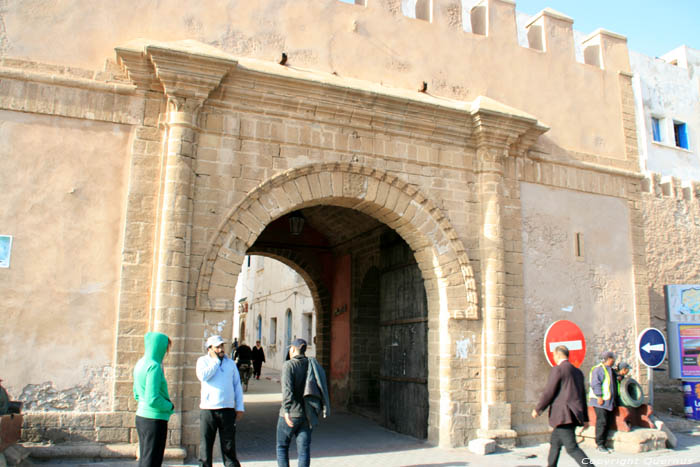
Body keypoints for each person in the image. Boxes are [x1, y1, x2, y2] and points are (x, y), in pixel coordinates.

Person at [532, 345, 593, 467]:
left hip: (563, 416)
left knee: (572, 448)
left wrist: (538, 409)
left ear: (558, 355)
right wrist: (585, 418)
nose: (553, 357)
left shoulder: (558, 370)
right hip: (571, 415)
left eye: (554, 355)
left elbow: (549, 391)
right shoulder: (578, 372)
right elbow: (582, 396)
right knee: (555, 443)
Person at [277, 338, 330, 467]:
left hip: (291, 414)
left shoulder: (288, 365)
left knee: (282, 447)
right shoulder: (311, 364)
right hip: (306, 415)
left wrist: (287, 410)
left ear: (293, 349)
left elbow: (287, 390)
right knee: (303, 451)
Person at [196, 335, 245, 467]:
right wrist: (215, 362)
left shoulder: (230, 364)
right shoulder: (203, 361)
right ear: (210, 349)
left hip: (227, 410)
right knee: (206, 446)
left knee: (228, 446)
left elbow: (237, 386)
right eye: (217, 347)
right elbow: (203, 376)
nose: (221, 349)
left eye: (222, 346)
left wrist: (239, 406)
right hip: (208, 410)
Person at [133, 332, 174, 467]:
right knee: (152, 461)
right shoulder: (154, 366)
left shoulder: (140, 363)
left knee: (145, 458)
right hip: (155, 419)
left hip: (142, 416)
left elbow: (136, 394)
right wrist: (169, 406)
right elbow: (153, 399)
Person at [588, 351, 616, 453]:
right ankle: (600, 444)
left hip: (608, 402)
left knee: (606, 422)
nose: (614, 360)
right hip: (600, 402)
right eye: (613, 358)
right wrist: (599, 396)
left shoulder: (610, 370)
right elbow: (595, 384)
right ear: (608, 359)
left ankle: (603, 443)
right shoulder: (599, 369)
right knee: (601, 422)